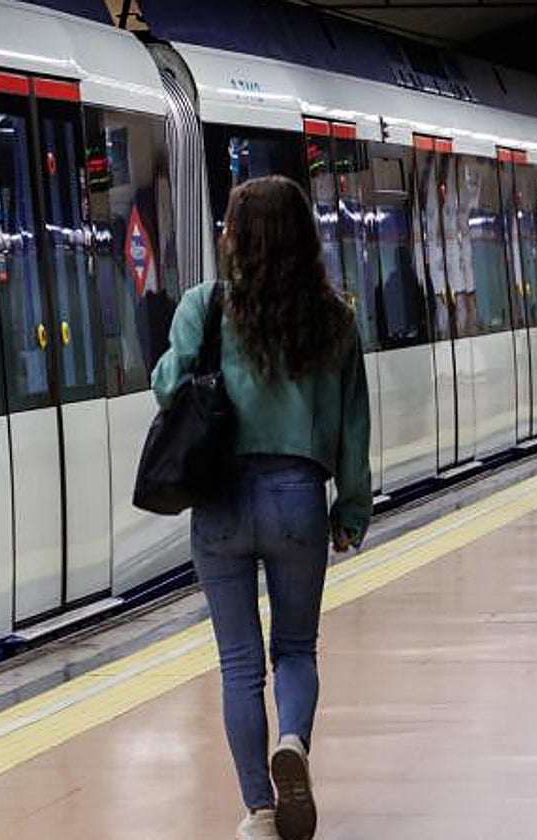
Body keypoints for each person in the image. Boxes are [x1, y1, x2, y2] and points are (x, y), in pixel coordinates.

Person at [151, 175, 372, 840]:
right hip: (298, 498)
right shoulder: (337, 318)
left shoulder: (204, 305)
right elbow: (353, 428)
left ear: (236, 238)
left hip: (219, 499)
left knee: (239, 662)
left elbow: (167, 388)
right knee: (296, 649)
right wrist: (350, 511)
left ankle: (259, 811)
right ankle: (295, 743)